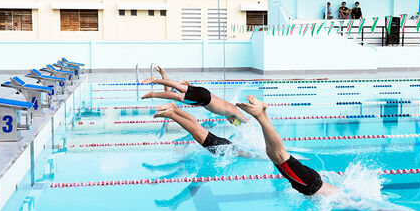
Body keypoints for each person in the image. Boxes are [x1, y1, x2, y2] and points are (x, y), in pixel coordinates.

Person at [154, 97, 337, 196]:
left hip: (309, 182)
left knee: (277, 156)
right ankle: (261, 114)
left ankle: (174, 112)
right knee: (277, 156)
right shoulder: (337, 197)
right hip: (309, 185)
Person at [142, 66, 248, 124]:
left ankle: (156, 80)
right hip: (203, 99)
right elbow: (245, 121)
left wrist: (189, 84)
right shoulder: (234, 112)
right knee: (175, 96)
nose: (231, 122)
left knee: (175, 86)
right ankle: (152, 94)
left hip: (204, 91)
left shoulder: (230, 109)